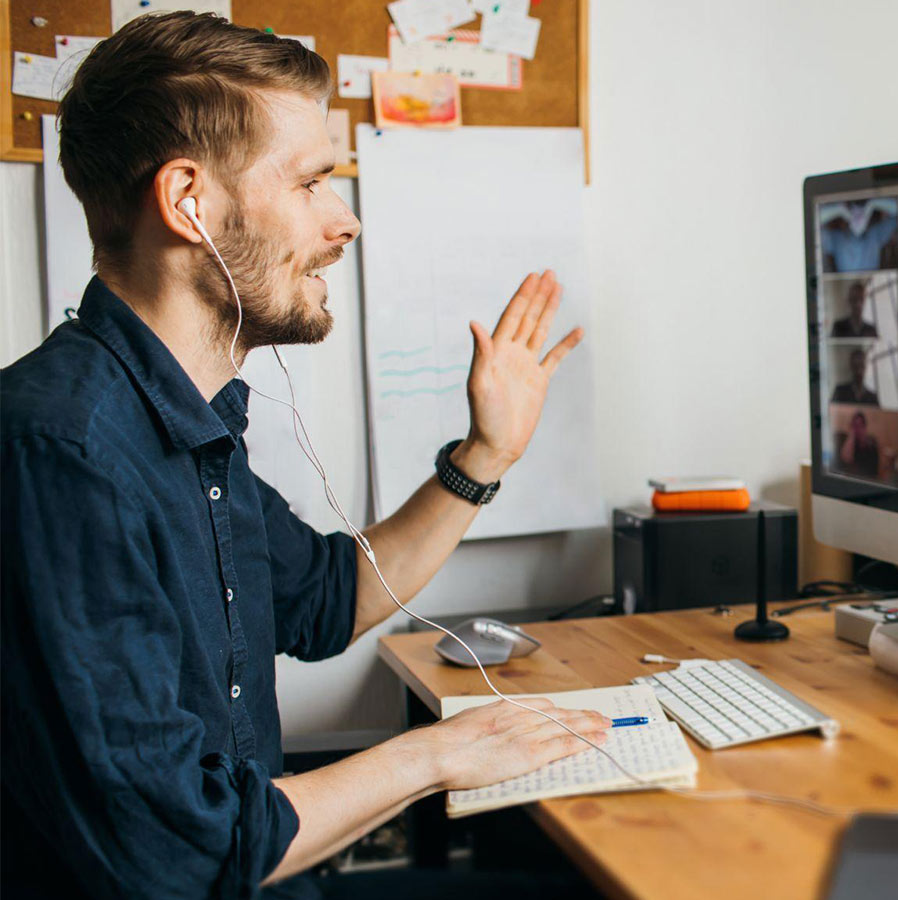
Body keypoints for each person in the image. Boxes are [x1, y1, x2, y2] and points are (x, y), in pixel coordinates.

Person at [1, 15, 611, 898]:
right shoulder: (64, 452)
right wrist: (437, 755)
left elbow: (328, 601)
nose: (346, 220)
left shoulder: (180, 420)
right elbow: (178, 854)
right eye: (313, 182)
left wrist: (487, 453)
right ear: (189, 204)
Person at [821, 198, 898, 272]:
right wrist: (840, 210)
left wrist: (872, 204)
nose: (858, 218)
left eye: (862, 213)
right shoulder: (836, 239)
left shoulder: (876, 234)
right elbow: (813, 219)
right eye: (853, 213)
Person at [837, 411, 881, 479]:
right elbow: (846, 459)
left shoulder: (871, 444)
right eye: (855, 426)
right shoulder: (849, 442)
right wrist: (852, 434)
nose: (858, 429)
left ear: (865, 427)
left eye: (860, 426)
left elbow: (874, 472)